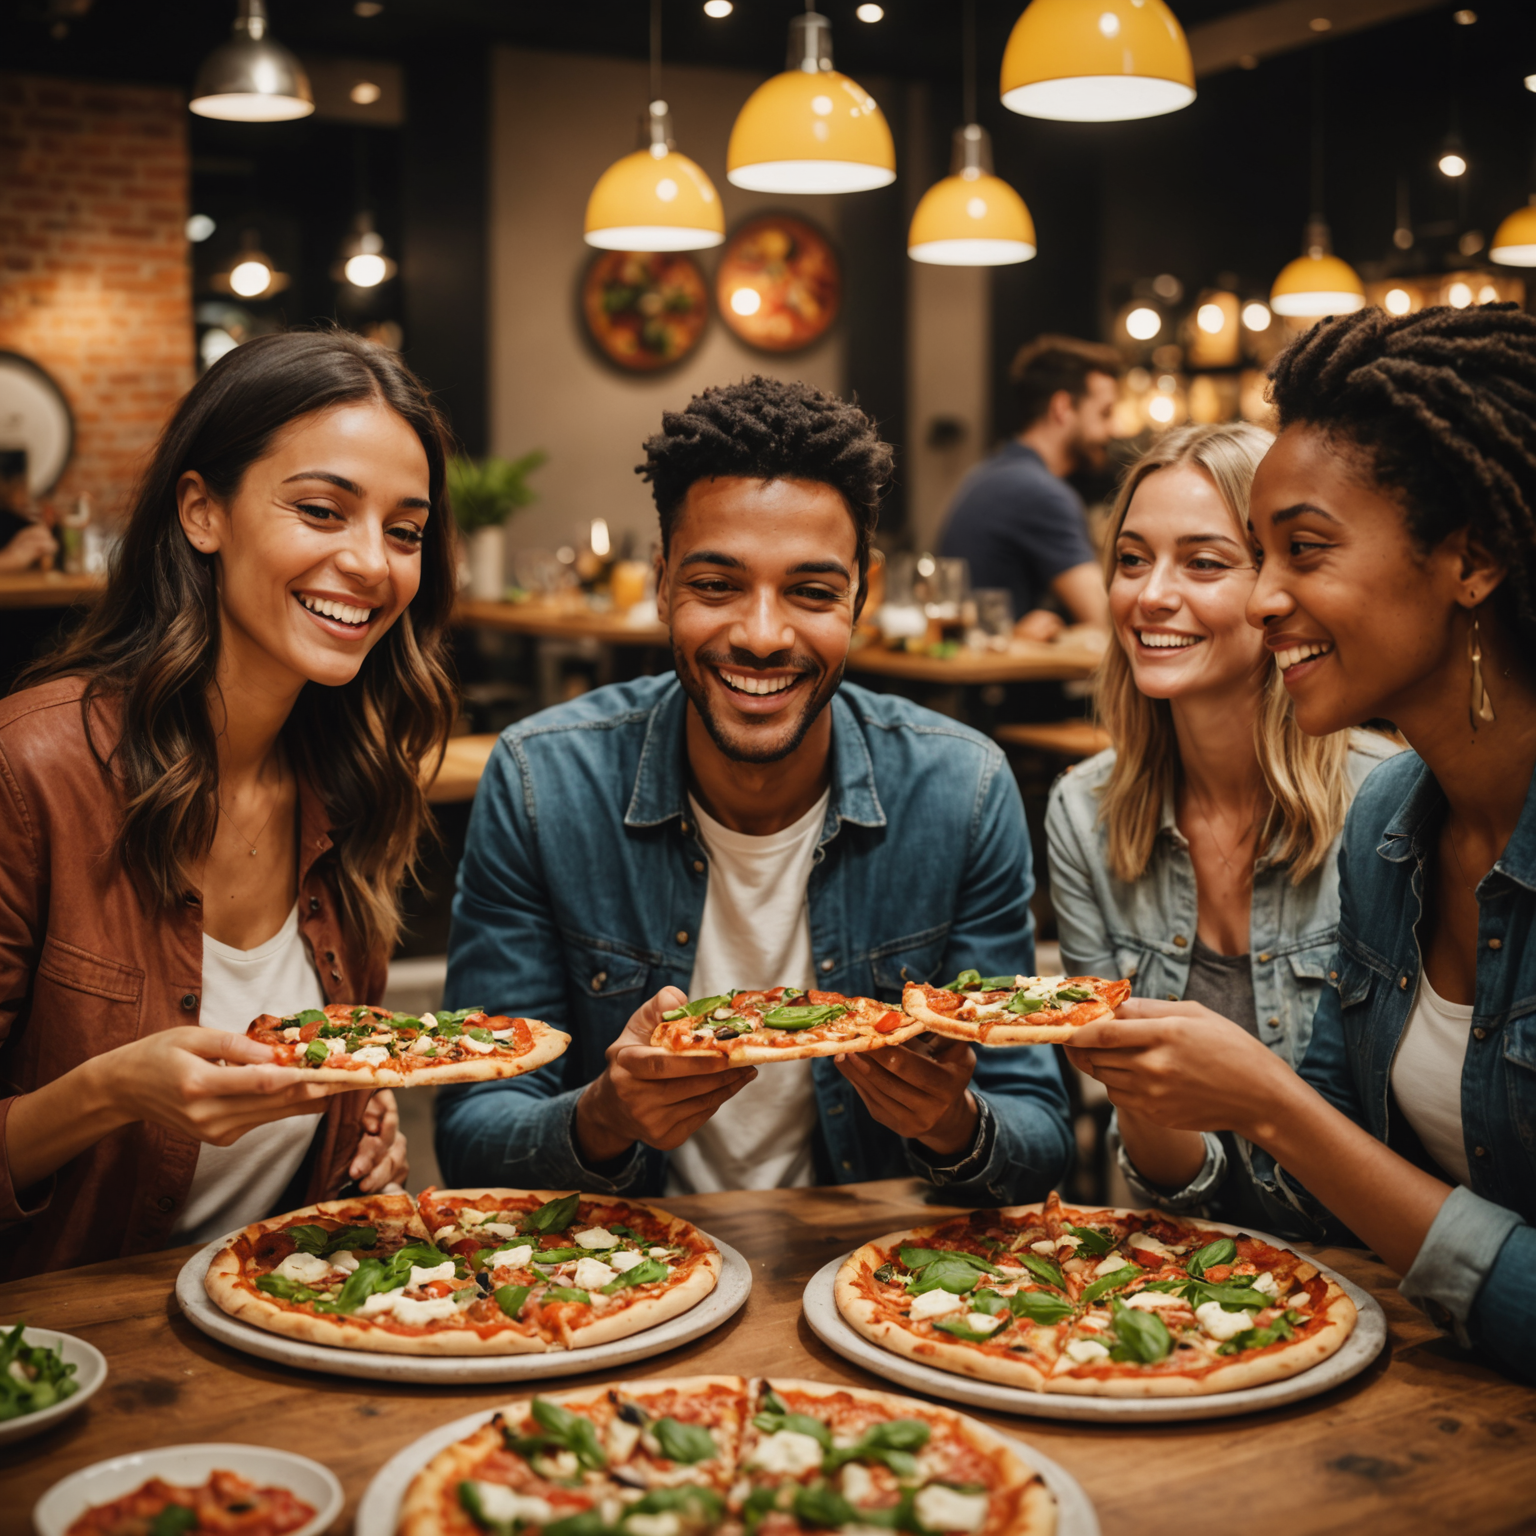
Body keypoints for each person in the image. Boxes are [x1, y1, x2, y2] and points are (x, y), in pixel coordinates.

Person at [435, 376, 1072, 1203]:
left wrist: (951, 1123)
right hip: (619, 1276)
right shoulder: (539, 783)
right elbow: (472, 1129)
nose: (763, 636)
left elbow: (1039, 1130)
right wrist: (605, 1116)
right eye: (716, 585)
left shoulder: (965, 790)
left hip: (871, 1278)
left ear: (861, 596)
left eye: (810, 592)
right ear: (663, 584)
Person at [1066, 304, 1536, 1381]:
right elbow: (1315, 1185)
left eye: (1303, 552)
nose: (1264, 597)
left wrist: (1265, 1102)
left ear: (1475, 559)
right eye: (1262, 554)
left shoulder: (1360, 804)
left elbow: (1301, 1132)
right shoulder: (1391, 827)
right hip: (1410, 1380)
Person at [0, 329, 459, 1280]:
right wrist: (110, 1092)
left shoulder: (358, 778)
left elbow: (319, 1093)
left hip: (279, 1323)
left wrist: (357, 1138)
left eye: (404, 530)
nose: (373, 564)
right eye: (324, 510)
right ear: (202, 512)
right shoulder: (28, 771)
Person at [1046, 422, 1396, 1223]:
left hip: (1373, 1268)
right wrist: (1126, 1074)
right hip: (1191, 1271)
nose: (1151, 594)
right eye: (1132, 560)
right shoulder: (1084, 813)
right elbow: (1162, 1179)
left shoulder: (1388, 803)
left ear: (1279, 587)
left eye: (1203, 563)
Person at [938, 335, 1120, 641]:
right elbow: (1107, 622)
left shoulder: (989, 472)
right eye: (1104, 413)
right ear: (1062, 407)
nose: (1112, 430)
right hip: (998, 681)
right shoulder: (1040, 492)